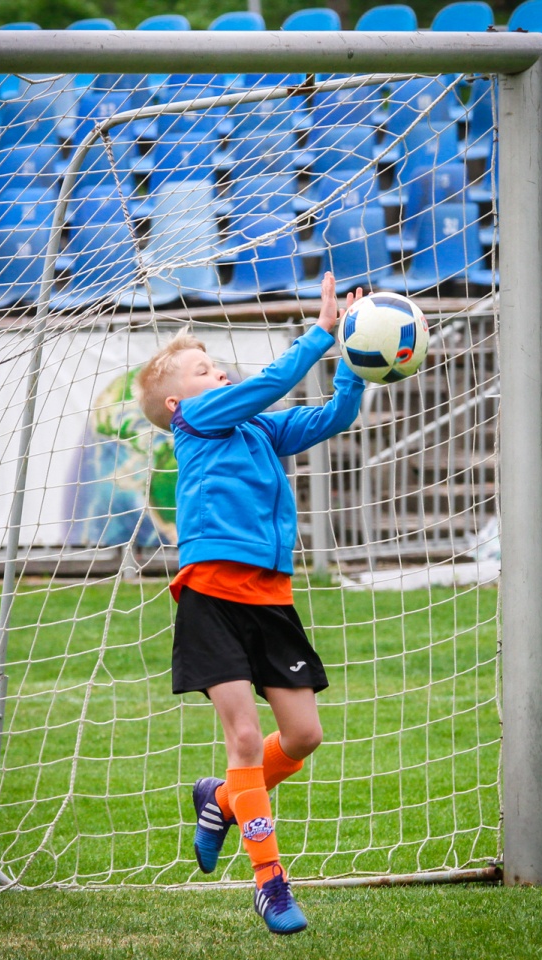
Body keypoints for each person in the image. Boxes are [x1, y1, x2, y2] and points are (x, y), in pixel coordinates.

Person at [135, 271, 365, 935]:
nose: (219, 372)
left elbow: (334, 417)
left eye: (215, 364)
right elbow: (268, 384)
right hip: (211, 597)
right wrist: (321, 331)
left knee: (303, 736)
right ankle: (270, 882)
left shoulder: (259, 429)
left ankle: (223, 800)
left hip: (271, 601)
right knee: (241, 736)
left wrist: (350, 358)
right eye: (204, 368)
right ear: (179, 402)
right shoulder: (199, 422)